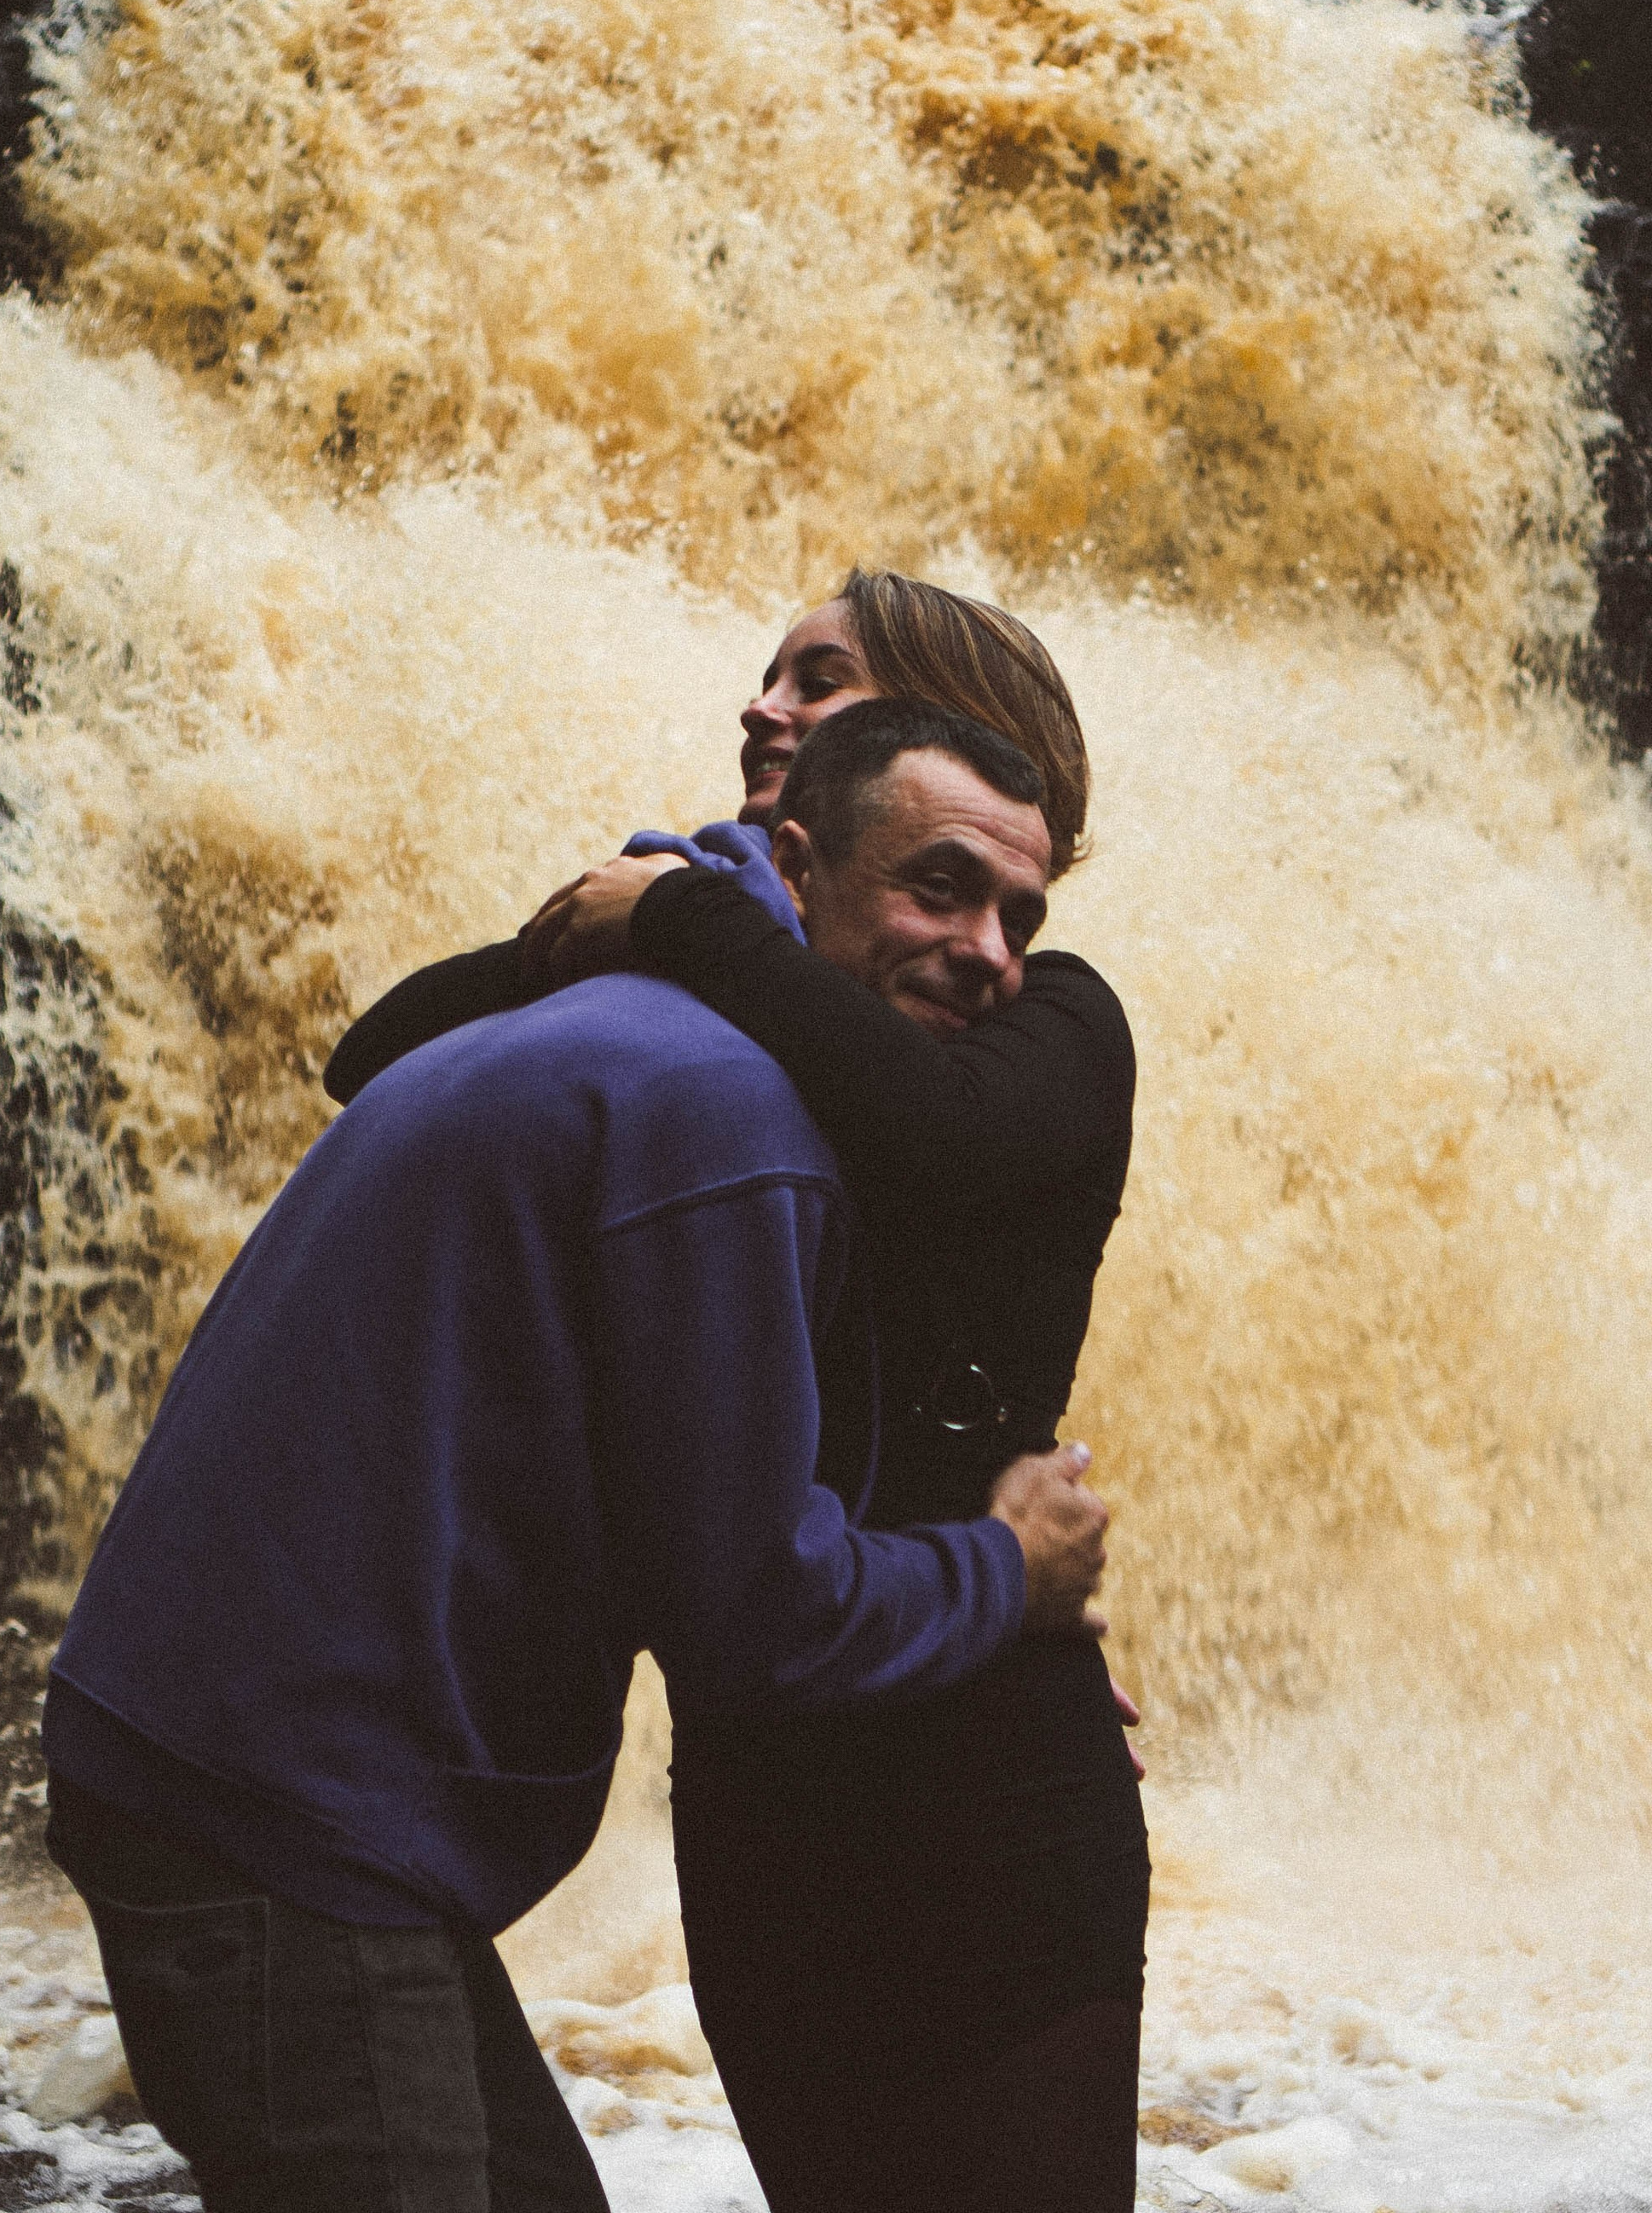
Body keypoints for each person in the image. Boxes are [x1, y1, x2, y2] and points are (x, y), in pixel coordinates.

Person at [40, 722, 1111, 2213]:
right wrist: (1010, 1572)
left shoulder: (637, 1019)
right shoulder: (730, 1117)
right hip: (279, 1812)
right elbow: (759, 1616)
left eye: (1020, 916)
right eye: (938, 888)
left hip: (256, 1765)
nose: (989, 951)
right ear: (793, 866)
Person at [328, 576, 1147, 2212]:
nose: (763, 708)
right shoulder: (723, 980)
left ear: (960, 739)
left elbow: (938, 1140)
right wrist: (648, 919)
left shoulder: (1049, 1017)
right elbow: (382, 1062)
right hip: (769, 1788)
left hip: (988, 1782)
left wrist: (686, 919)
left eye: (821, 680)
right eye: (767, 677)